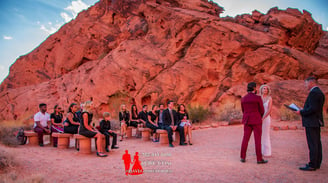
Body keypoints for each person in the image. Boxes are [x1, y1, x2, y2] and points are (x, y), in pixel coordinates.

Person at [296, 76, 325, 171]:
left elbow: (313, 109)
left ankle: (312, 164)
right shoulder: (319, 92)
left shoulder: (314, 93)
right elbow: (314, 108)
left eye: (306, 83)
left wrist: (302, 112)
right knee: (317, 142)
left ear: (311, 83)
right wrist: (304, 109)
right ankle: (316, 163)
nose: (305, 86)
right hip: (316, 121)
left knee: (312, 143)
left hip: (311, 121)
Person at [240, 82, 267, 164]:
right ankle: (259, 159)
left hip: (247, 120)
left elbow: (243, 110)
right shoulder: (258, 98)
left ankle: (242, 157)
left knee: (245, 139)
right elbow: (262, 110)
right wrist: (259, 116)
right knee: (257, 139)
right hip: (256, 120)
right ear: (254, 88)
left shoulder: (243, 98)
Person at [259, 84, 272, 157]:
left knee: (266, 134)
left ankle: (267, 152)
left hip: (266, 118)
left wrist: (263, 118)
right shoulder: (259, 98)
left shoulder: (270, 98)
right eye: (264, 88)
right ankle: (261, 151)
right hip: (259, 118)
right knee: (260, 134)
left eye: (266, 89)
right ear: (261, 89)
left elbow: (269, 109)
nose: (265, 90)